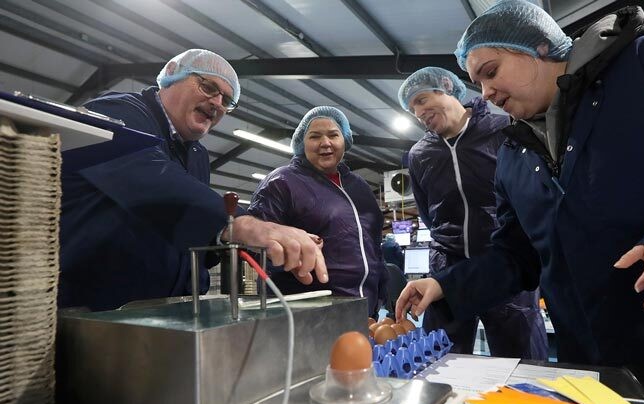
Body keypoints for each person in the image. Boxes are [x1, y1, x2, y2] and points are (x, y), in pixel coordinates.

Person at [396, 1, 644, 383]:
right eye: (476, 81)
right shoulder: (515, 155)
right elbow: (518, 255)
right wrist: (448, 285)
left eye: (490, 71)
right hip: (599, 370)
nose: (484, 92)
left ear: (537, 46)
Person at [60, 49, 327, 311]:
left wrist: (231, 247)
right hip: (99, 310)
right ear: (172, 75)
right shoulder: (116, 113)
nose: (217, 103)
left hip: (165, 311)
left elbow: (187, 233)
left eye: (226, 100)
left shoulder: (196, 154)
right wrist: (240, 225)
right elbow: (149, 181)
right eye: (208, 87)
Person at [397, 67, 547, 359]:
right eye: (413, 108)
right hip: (447, 270)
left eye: (423, 99)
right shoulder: (420, 154)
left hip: (504, 266)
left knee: (522, 361)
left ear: (447, 87)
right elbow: (429, 215)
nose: (419, 112)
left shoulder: (505, 130)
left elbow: (530, 199)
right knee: (440, 362)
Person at [249, 106, 387, 316]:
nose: (325, 143)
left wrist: (383, 289)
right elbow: (255, 244)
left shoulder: (359, 186)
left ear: (345, 140)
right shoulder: (282, 182)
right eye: (315, 136)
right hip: (311, 310)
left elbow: (374, 245)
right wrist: (290, 252)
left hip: (366, 306)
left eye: (333, 135)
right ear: (301, 143)